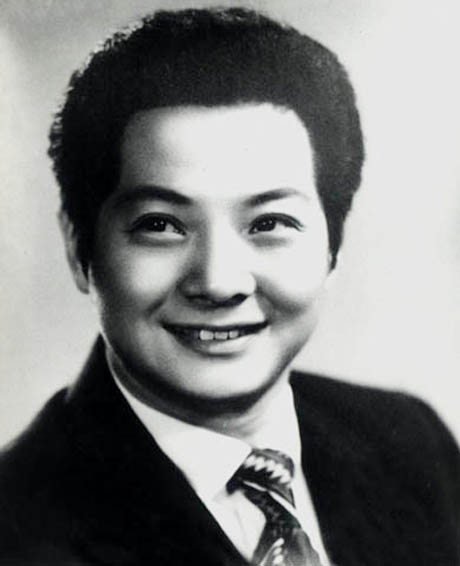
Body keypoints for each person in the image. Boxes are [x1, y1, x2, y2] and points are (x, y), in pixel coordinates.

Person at [0, 7, 458, 566]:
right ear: (79, 249)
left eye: (269, 223)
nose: (217, 283)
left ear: (332, 247)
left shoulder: (412, 442)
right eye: (160, 225)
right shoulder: (17, 529)